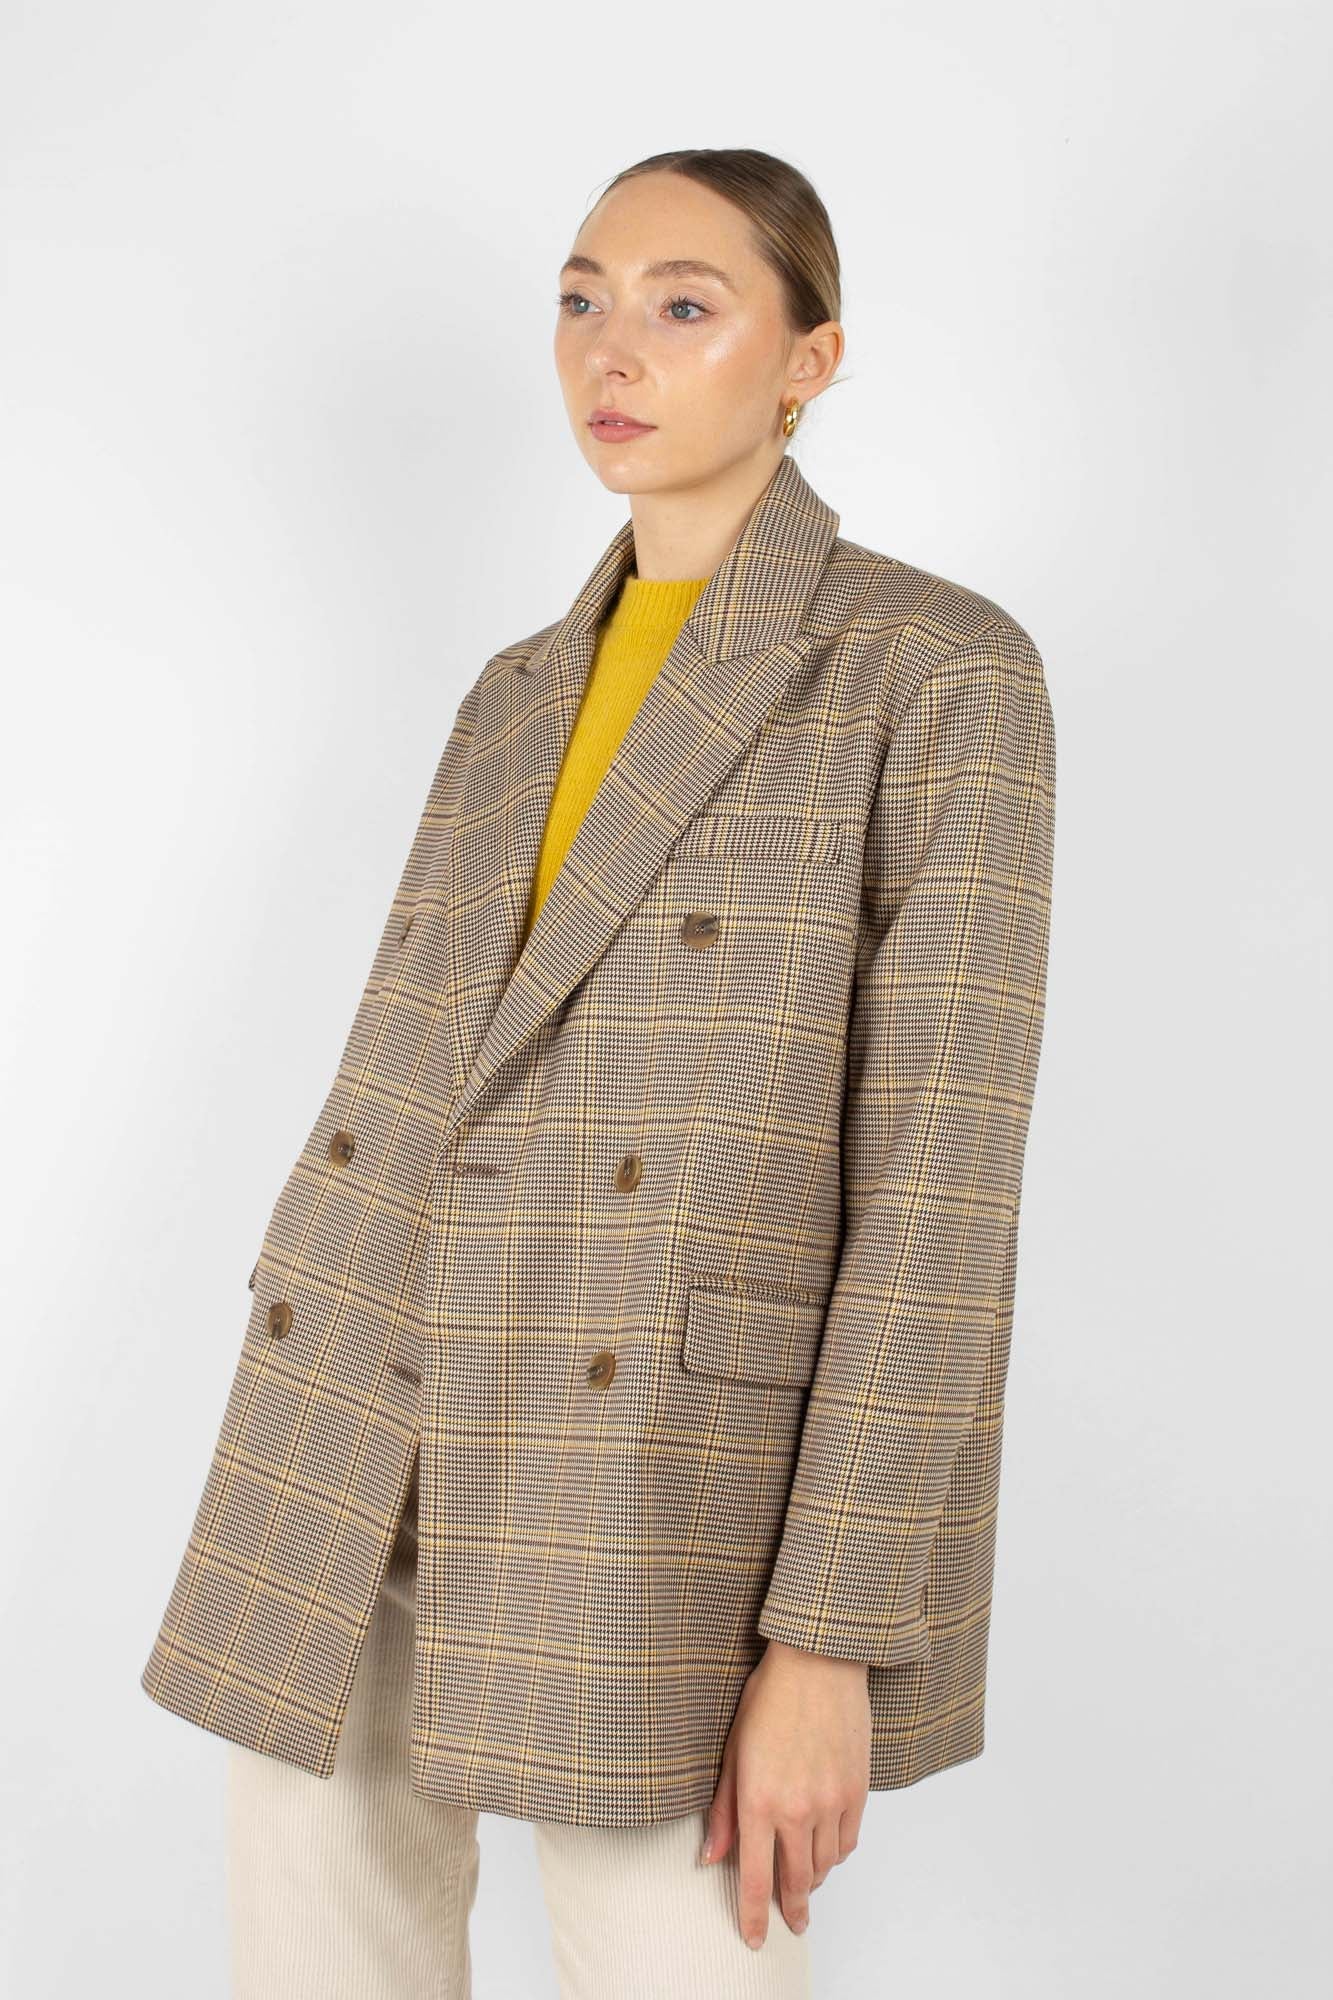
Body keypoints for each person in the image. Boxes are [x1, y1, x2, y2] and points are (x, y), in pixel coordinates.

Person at [141, 146, 1057, 1998]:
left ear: (808, 361)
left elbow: (938, 1196)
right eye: (579, 300)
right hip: (358, 1411)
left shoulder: (933, 670)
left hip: (661, 1466)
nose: (609, 351)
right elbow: (425, 1071)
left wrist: (827, 1636)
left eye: (682, 305)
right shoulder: (509, 693)